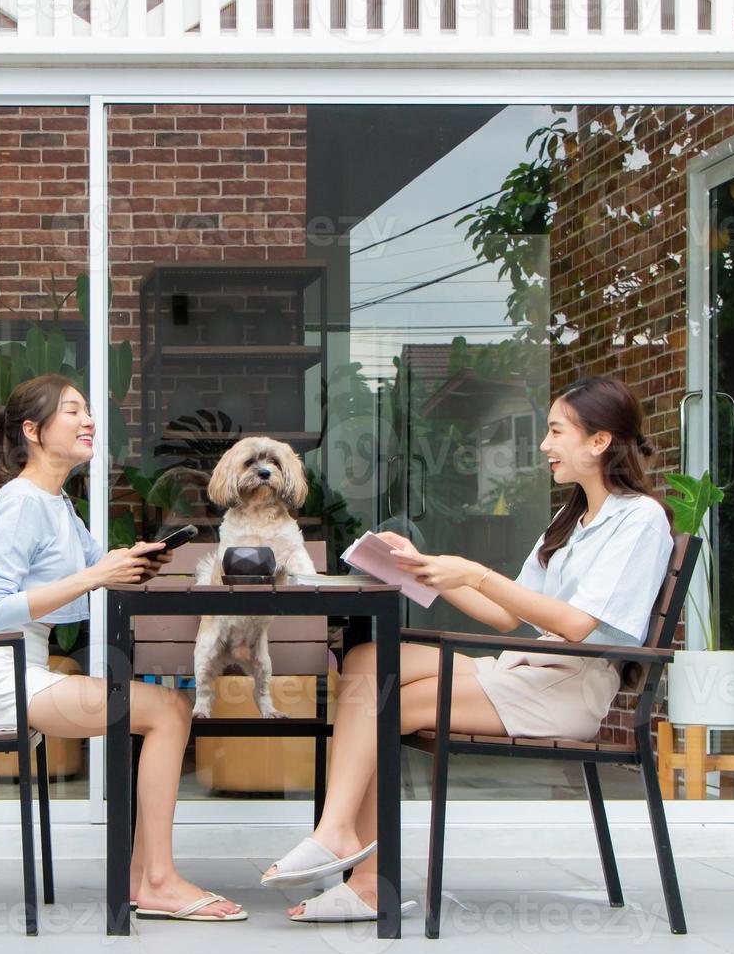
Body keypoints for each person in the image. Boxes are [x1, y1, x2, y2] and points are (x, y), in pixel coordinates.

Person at [262, 375, 675, 922]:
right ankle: (341, 839)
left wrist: (476, 573)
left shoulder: (639, 519)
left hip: (566, 687)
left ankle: (360, 871)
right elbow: (510, 614)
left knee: (389, 705)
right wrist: (425, 570)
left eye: (556, 432)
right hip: (525, 669)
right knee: (367, 660)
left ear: (599, 441)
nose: (545, 445)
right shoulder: (570, 519)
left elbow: (577, 625)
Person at [0, 373, 246, 922]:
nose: (88, 421)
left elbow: (86, 586)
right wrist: (97, 575)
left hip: (24, 669)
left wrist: (130, 567)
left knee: (168, 710)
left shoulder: (57, 505)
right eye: (72, 411)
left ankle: (145, 876)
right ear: (33, 431)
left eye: (88, 411)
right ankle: (154, 879)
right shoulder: (20, 503)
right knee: (167, 712)